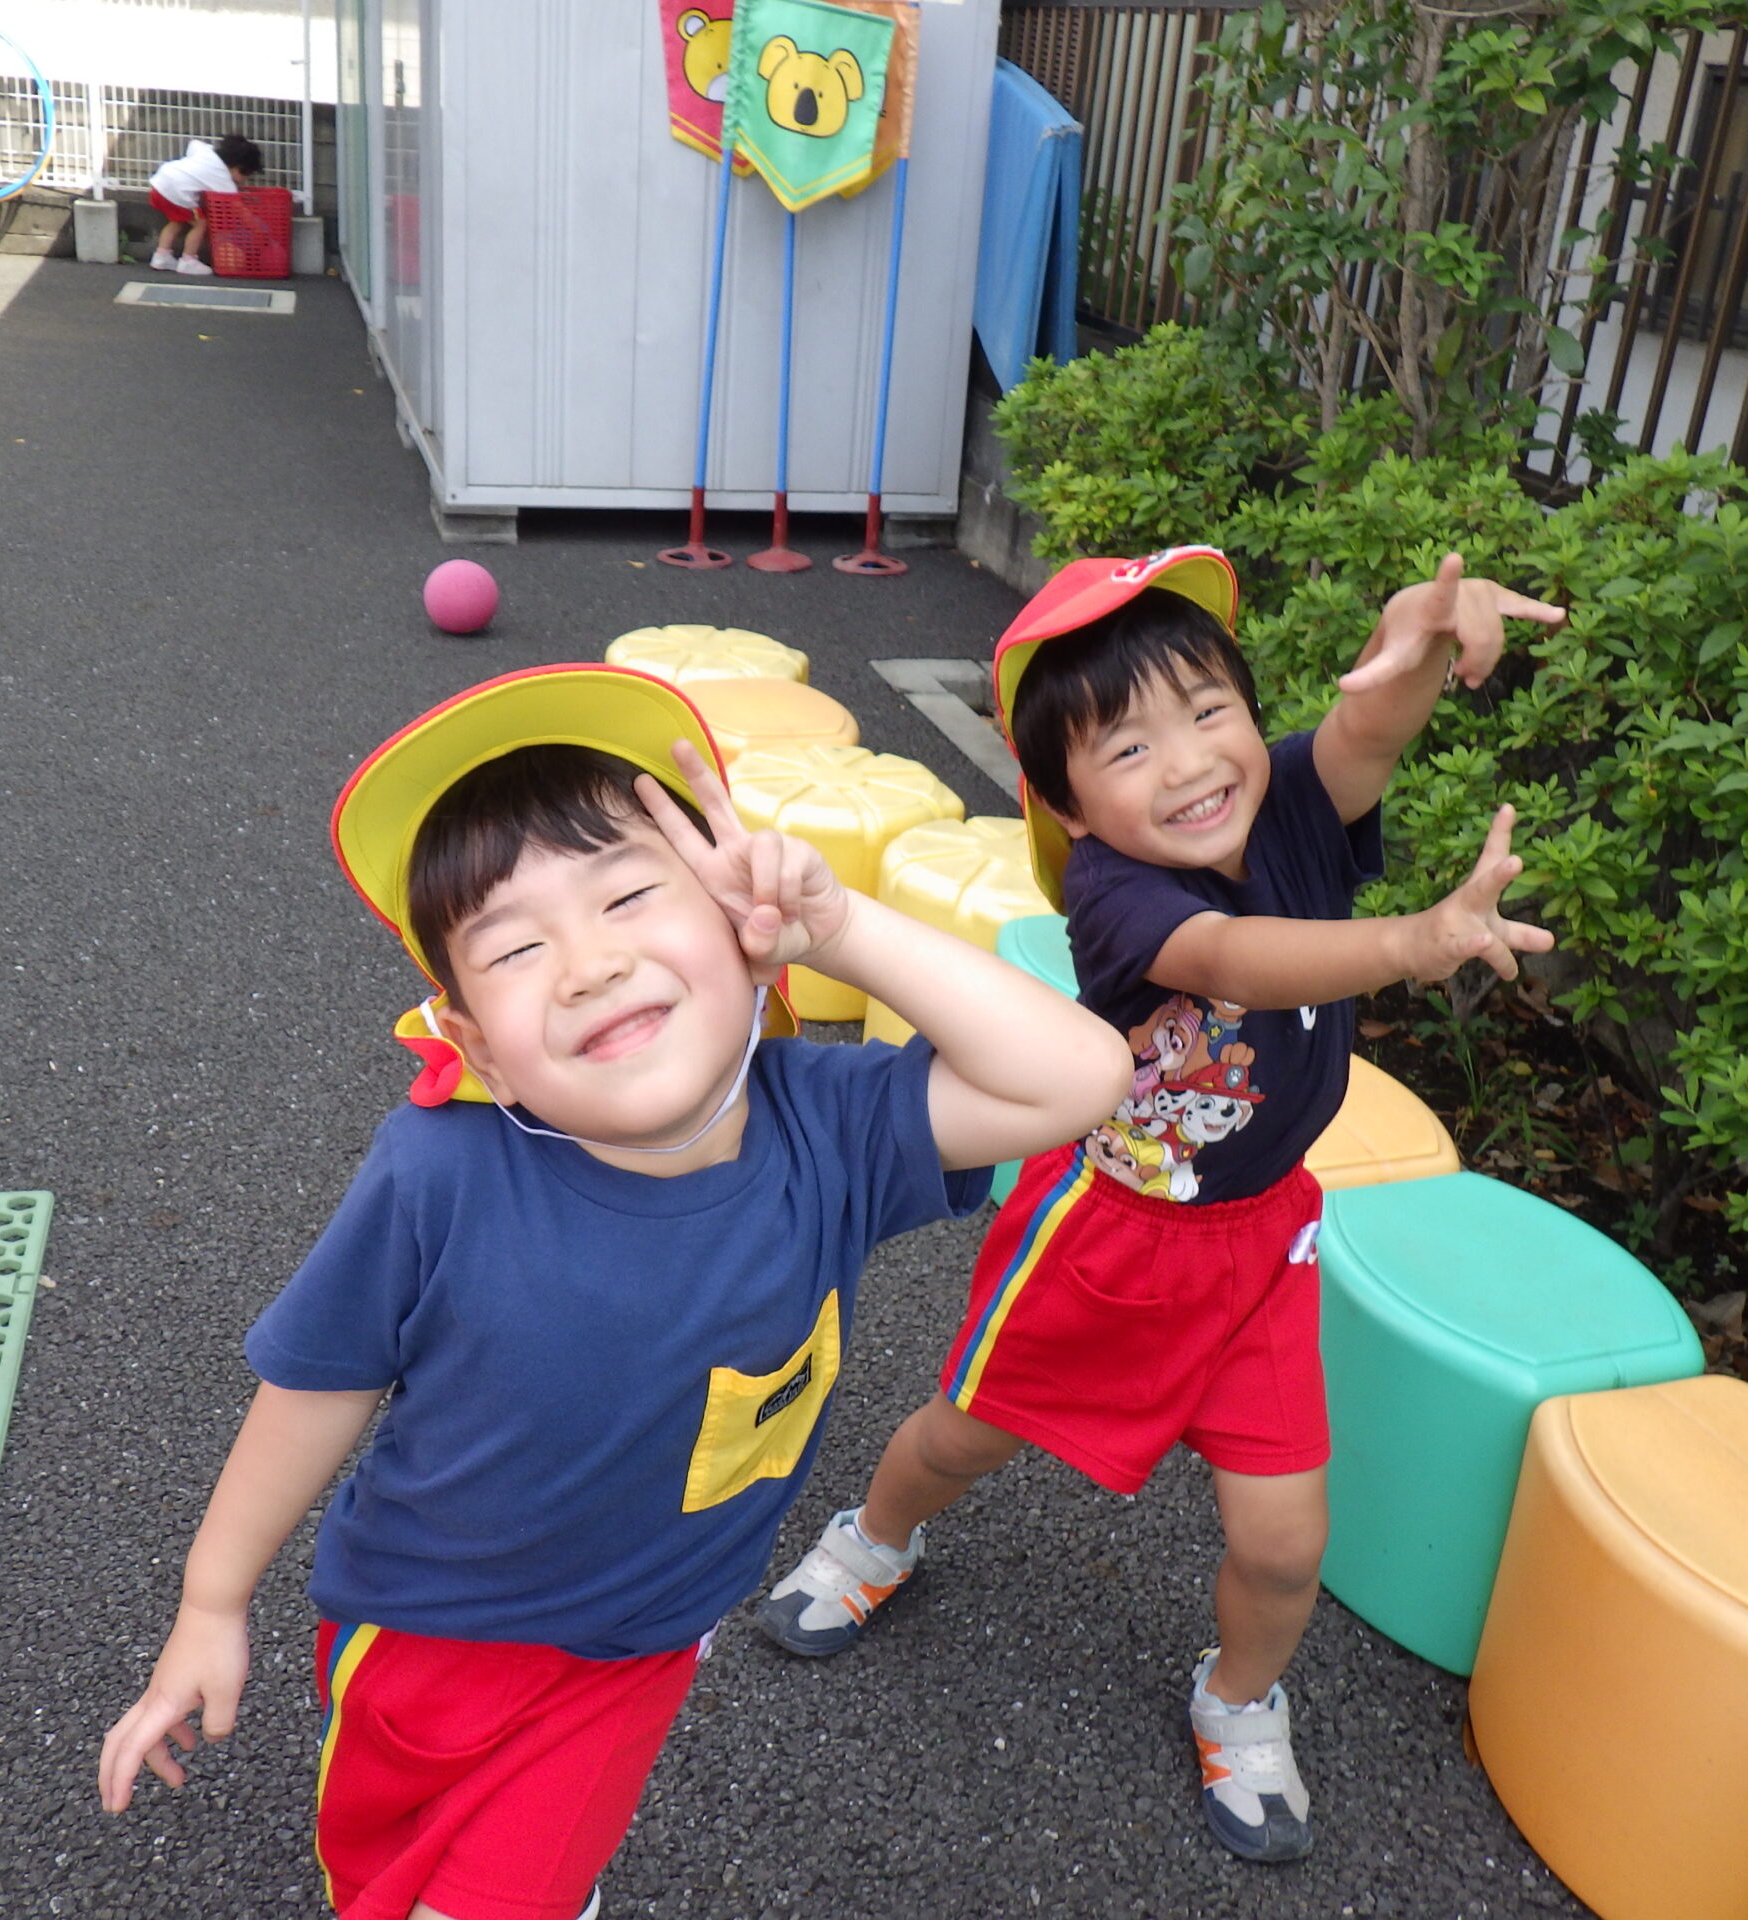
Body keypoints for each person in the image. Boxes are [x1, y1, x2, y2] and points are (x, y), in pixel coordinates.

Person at [95, 665, 1133, 1920]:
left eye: (633, 895)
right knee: (384, 1872)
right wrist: (211, 1601)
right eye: (514, 949)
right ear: (479, 1049)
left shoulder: (831, 1128)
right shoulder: (437, 1173)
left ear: (746, 929)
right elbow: (320, 1381)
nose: (588, 963)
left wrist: (842, 927)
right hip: (430, 1636)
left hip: (644, 1639)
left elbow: (1078, 1078)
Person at [758, 545, 1564, 1866]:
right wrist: (1409, 943)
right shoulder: (1118, 895)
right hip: (1111, 1235)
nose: (1189, 764)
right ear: (1068, 806)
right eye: (1127, 749)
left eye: (1207, 710)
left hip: (1264, 1243)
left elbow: (1366, 730)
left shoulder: (1287, 805)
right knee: (964, 1435)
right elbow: (1236, 956)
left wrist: (1416, 640)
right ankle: (876, 1537)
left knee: (1285, 1540)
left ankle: (1238, 1698)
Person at [145, 131, 264, 276]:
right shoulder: (223, 180)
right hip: (178, 192)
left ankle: (161, 256)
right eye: (245, 175)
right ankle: (188, 260)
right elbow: (238, 208)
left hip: (159, 183)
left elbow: (193, 144)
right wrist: (257, 227)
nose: (243, 180)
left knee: (177, 221)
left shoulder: (207, 151)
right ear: (237, 167)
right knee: (200, 224)